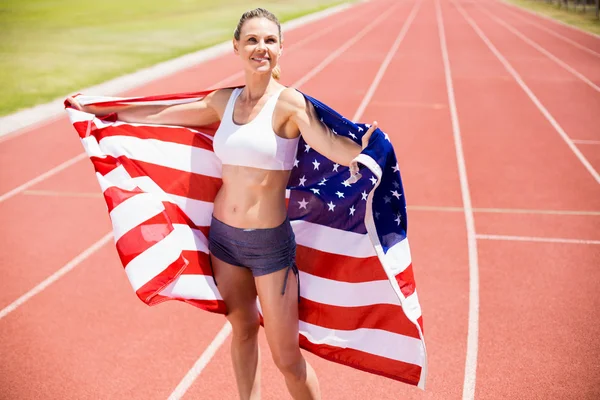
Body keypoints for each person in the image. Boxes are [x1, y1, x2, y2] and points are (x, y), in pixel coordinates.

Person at [68, 8, 377, 400]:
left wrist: (360, 151)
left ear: (281, 48)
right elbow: (161, 113)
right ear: (236, 46)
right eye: (251, 40)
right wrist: (103, 109)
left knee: (286, 359)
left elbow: (329, 145)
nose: (260, 48)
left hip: (269, 246)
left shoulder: (289, 105)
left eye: (268, 40)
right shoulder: (222, 101)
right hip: (224, 240)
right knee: (243, 330)